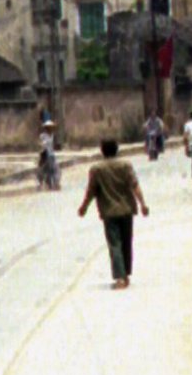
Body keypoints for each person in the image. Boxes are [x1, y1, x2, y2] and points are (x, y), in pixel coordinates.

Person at [77, 140, 149, 290]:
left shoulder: (96, 169)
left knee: (115, 244)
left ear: (102, 151)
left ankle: (120, 277)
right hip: (127, 210)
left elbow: (91, 192)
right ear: (117, 150)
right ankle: (125, 275)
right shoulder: (125, 166)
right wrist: (143, 204)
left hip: (109, 212)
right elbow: (135, 185)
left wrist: (84, 207)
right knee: (126, 242)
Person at [37, 121, 60, 190]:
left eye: (51, 128)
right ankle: (48, 184)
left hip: (51, 155)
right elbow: (42, 145)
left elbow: (53, 146)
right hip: (45, 155)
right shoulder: (42, 136)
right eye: (49, 128)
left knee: (54, 170)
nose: (50, 129)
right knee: (47, 170)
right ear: (46, 128)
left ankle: (54, 184)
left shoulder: (52, 135)